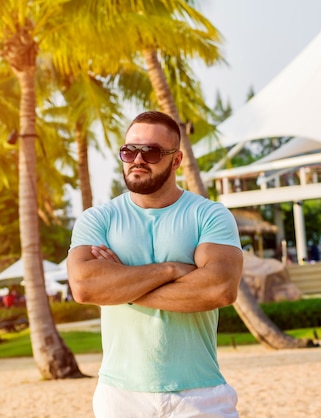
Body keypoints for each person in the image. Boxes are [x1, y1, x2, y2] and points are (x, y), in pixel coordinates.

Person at [67, 111, 244, 417]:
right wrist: (171, 270)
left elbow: (220, 289)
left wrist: (121, 284)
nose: (137, 159)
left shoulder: (209, 215)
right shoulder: (98, 219)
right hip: (120, 396)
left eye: (150, 152)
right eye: (129, 150)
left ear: (176, 160)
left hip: (201, 395)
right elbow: (84, 287)